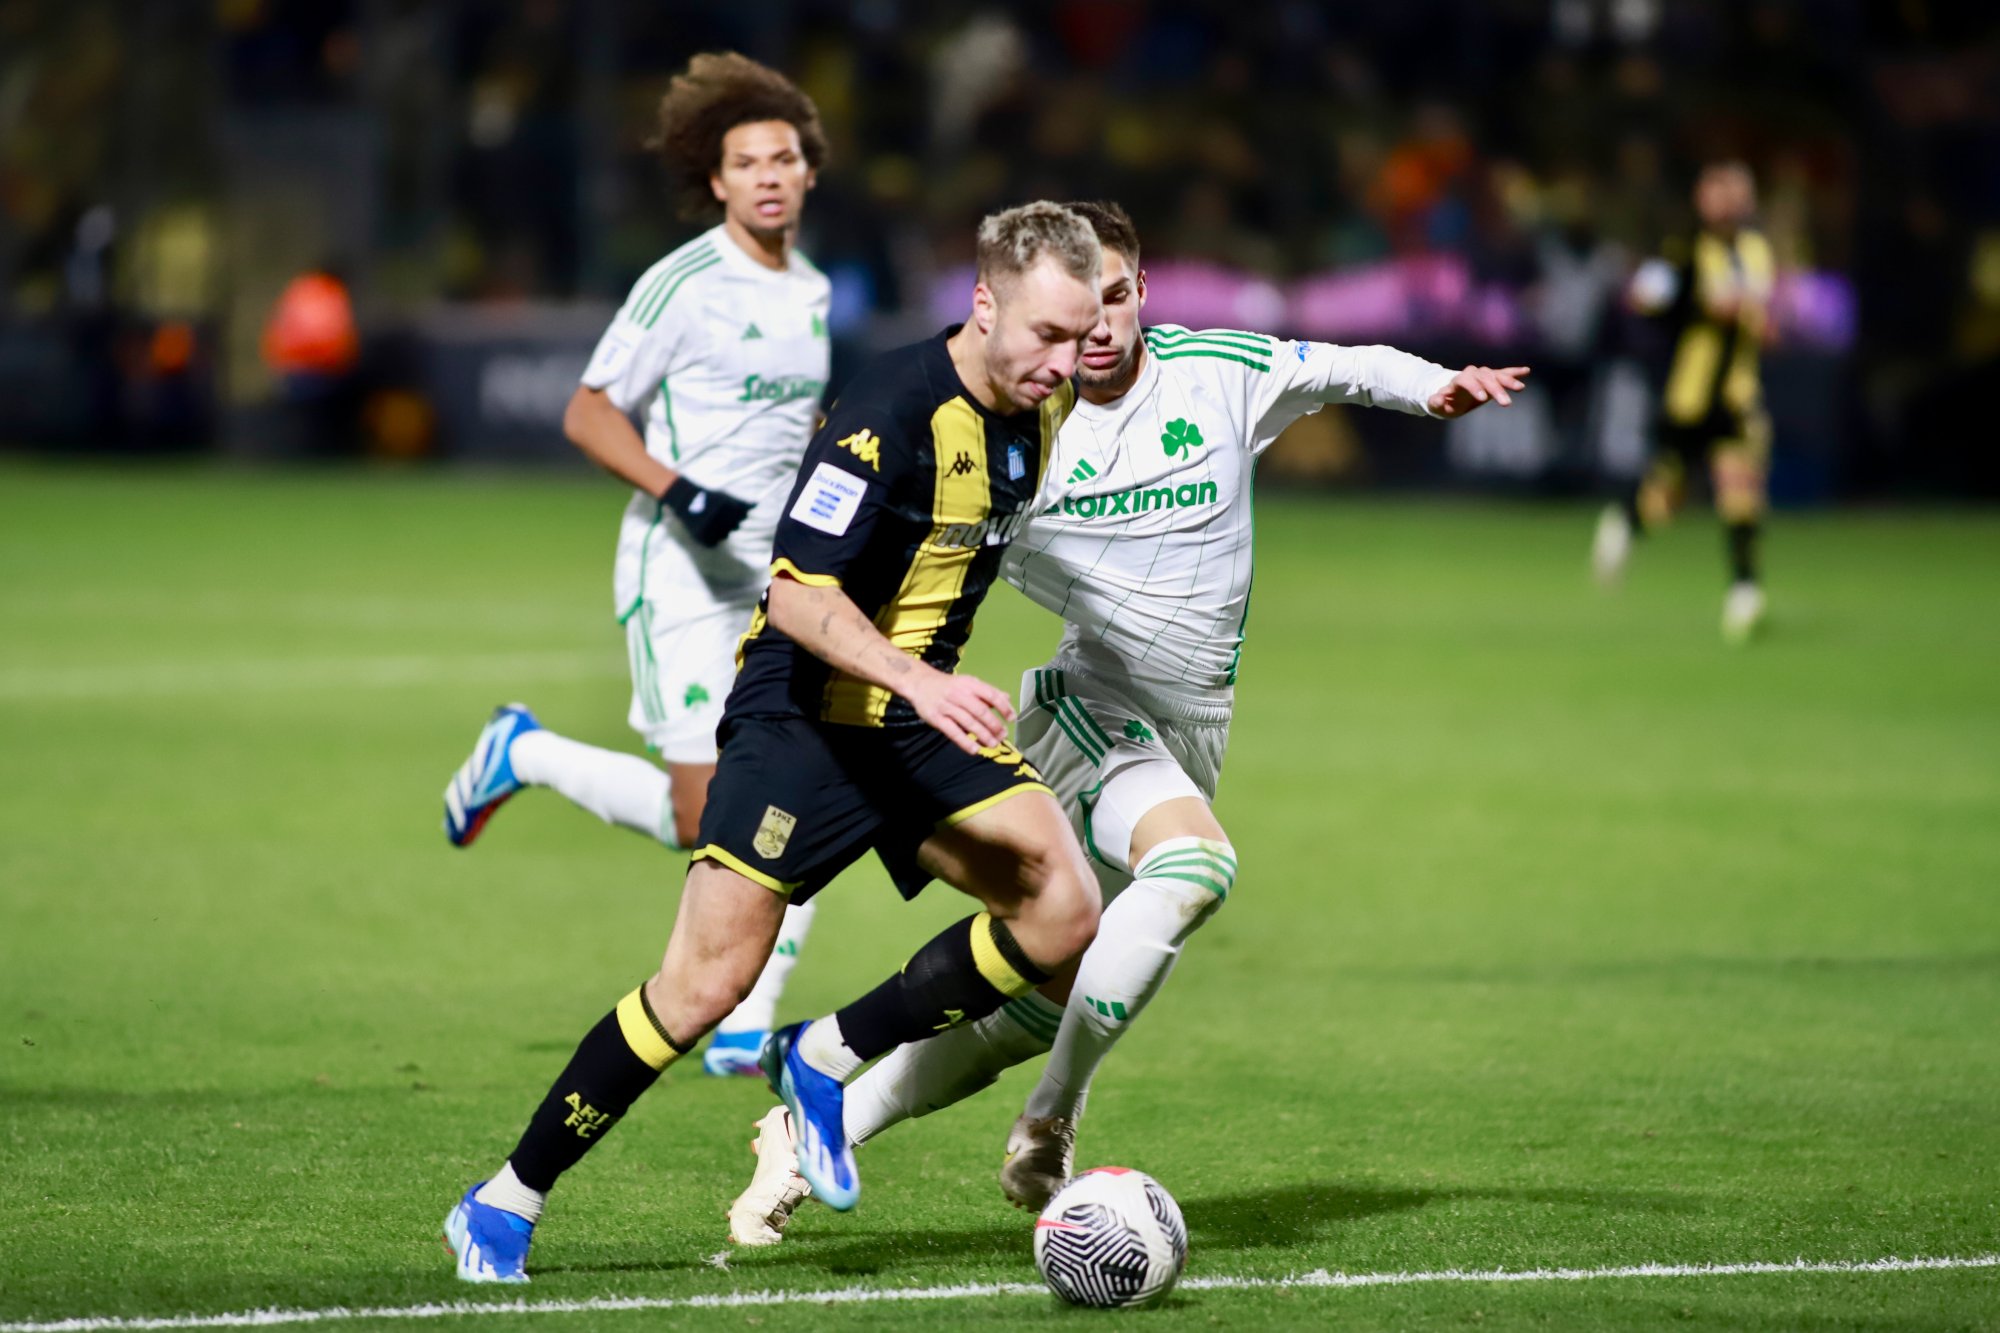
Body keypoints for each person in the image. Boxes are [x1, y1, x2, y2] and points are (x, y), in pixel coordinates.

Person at [726, 201, 1530, 1244]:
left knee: (1037, 999)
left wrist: (1435, 387)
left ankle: (809, 1123)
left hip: (1191, 727)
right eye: (1077, 309)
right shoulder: (1025, 425)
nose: (1097, 327)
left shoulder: (1218, 372)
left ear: (1142, 290)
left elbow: (1342, 366)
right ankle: (1050, 1121)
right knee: (1195, 868)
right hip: (1088, 709)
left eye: (1115, 297)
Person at [443, 201, 1108, 1283]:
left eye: (1078, 337)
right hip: (803, 719)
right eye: (1045, 334)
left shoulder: (1047, 395)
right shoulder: (887, 412)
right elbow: (796, 598)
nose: (1063, 362)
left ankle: (823, 1052)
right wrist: (915, 679)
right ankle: (504, 1198)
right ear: (983, 304)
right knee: (702, 987)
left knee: (1064, 907)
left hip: (914, 717)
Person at [440, 52, 831, 1073]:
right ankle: (523, 753)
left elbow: (791, 426)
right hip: (682, 576)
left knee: (801, 792)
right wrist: (678, 490)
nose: (767, 177)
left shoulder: (814, 290)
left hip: (775, 580)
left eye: (782, 159)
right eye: (745, 163)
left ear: (807, 171)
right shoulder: (683, 283)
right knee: (708, 818)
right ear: (716, 181)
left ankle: (743, 1019)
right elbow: (588, 411)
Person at [1592, 160, 1776, 643]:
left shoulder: (1756, 251)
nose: (1729, 203)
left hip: (1737, 394)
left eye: (1736, 193)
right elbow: (1644, 298)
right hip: (1690, 396)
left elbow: (1763, 314)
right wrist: (1689, 303)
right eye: (1720, 193)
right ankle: (1626, 524)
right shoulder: (1685, 253)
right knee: (1666, 497)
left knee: (1740, 491)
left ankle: (1744, 590)